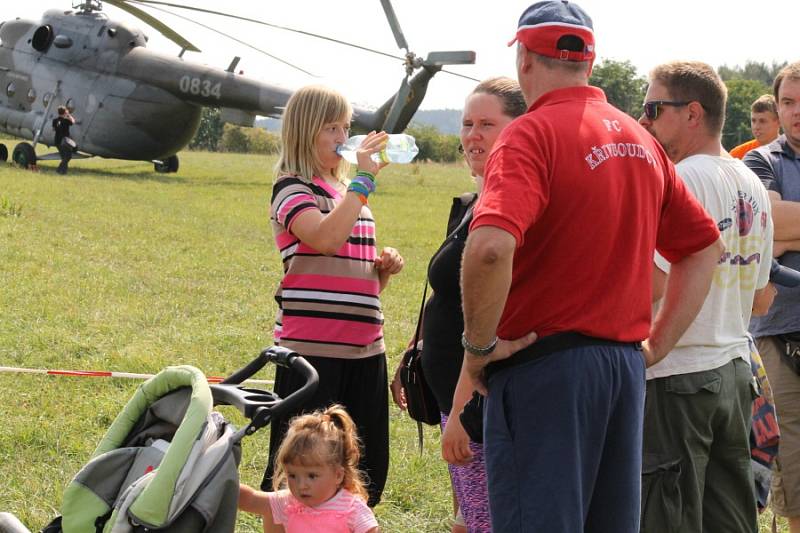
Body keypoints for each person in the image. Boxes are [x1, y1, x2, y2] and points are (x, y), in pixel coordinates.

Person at [444, 2, 724, 532]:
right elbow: (703, 247)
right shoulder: (640, 138)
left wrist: (478, 349)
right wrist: (656, 346)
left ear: (525, 58)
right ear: (589, 64)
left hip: (544, 371)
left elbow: (488, 249)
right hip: (622, 368)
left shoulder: (529, 134)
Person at [637, 60, 773, 532]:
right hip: (734, 373)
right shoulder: (750, 181)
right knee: (730, 519)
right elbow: (761, 299)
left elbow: (653, 283)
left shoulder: (685, 179)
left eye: (654, 107)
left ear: (692, 113)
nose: (644, 120)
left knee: (667, 516)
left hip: (679, 377)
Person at [390, 77, 527, 533]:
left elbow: (497, 316)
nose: (473, 135)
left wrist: (465, 411)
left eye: (488, 123)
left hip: (483, 400)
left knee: (487, 520)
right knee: (468, 518)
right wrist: (416, 347)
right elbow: (453, 290)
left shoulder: (513, 207)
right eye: (468, 123)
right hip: (454, 391)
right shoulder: (473, 203)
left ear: (520, 129)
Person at [261, 85, 404, 507]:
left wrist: (382, 271)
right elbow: (324, 238)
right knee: (304, 476)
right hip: (312, 355)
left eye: (346, 126)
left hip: (363, 351)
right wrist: (363, 181)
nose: (344, 136)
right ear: (306, 132)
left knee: (363, 473)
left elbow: (356, 282)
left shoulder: (350, 196)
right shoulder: (291, 188)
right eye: (332, 128)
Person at [744, 61, 800, 533]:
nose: (796, 112)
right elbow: (769, 226)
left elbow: (783, 227)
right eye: (788, 102)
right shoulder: (760, 161)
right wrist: (777, 229)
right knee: (796, 470)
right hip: (779, 333)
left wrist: (786, 231)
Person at [239, 405, 379, 533]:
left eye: (311, 476)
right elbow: (250, 500)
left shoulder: (352, 510)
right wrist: (222, 481)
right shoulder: (288, 501)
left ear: (338, 475)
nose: (301, 485)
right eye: (292, 475)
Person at [730, 94, 781, 159]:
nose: (756, 127)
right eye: (753, 121)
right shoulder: (737, 154)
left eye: (762, 121)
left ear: (779, 122)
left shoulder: (793, 152)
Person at [52, 105, 76, 175]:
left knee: (63, 157)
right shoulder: (66, 121)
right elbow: (73, 121)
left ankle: (63, 172)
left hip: (57, 140)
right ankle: (59, 169)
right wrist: (69, 115)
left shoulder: (55, 120)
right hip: (65, 141)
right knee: (68, 156)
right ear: (65, 112)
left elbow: (53, 129)